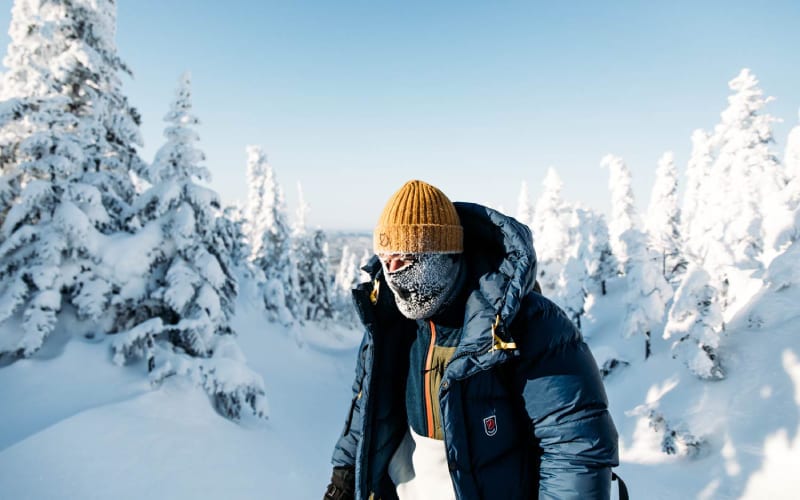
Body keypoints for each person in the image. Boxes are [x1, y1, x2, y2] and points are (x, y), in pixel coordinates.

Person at [325, 180, 619, 500]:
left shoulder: (527, 324)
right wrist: (344, 473)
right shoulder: (388, 323)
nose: (393, 272)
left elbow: (573, 447)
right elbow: (366, 408)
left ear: (446, 254)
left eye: (406, 258)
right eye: (385, 258)